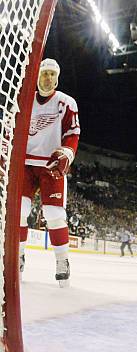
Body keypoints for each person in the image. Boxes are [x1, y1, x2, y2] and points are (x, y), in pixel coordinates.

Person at [19, 58, 80, 287]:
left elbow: (72, 134)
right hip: (25, 164)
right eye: (45, 73)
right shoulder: (24, 100)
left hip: (50, 165)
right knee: (20, 211)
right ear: (37, 75)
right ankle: (18, 256)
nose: (49, 78)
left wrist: (68, 153)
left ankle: (62, 261)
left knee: (54, 214)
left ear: (58, 77)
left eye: (53, 75)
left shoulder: (66, 103)